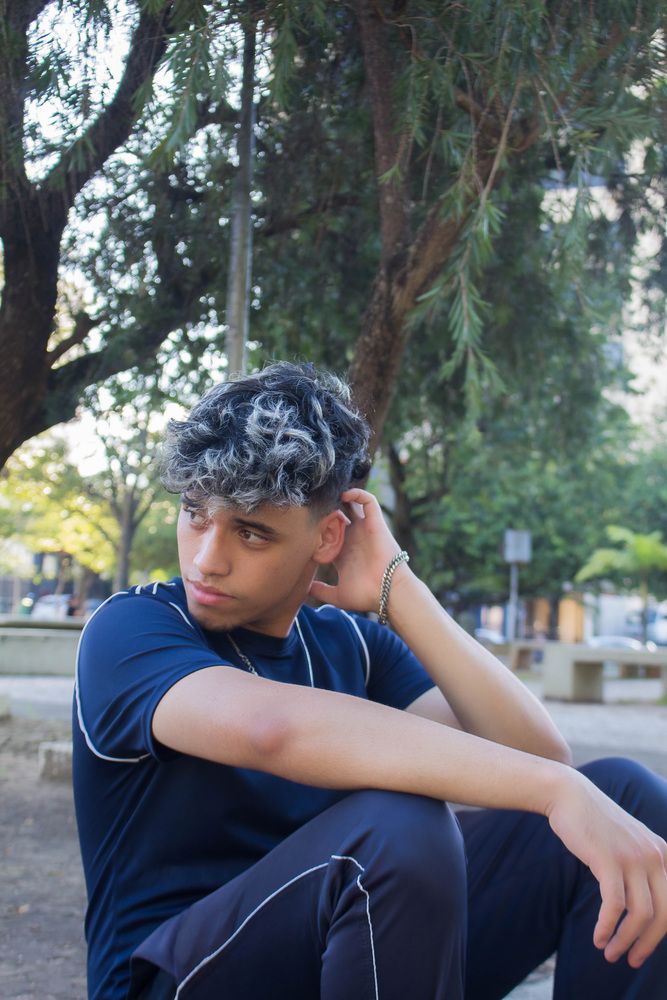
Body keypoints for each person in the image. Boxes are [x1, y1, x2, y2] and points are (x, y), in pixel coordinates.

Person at [73, 361, 667, 1000]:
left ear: (328, 537)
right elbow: (271, 728)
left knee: (625, 797)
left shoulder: (350, 643)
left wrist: (396, 588)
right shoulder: (131, 629)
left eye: (250, 532)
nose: (207, 559)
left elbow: (536, 755)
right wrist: (553, 790)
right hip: (179, 980)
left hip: (364, 959)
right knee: (398, 831)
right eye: (195, 513)